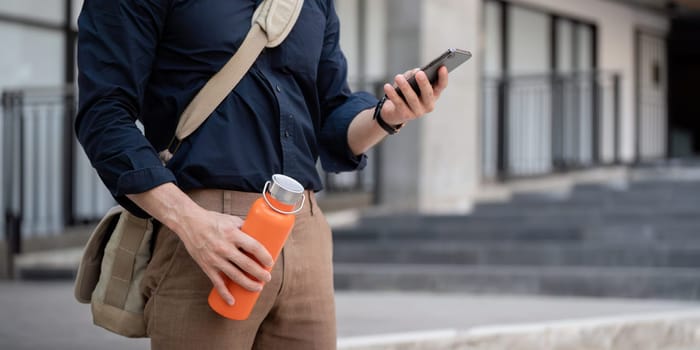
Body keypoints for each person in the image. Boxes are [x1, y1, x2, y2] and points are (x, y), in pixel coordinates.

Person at [75, 0, 448, 349]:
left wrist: (389, 115)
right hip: (206, 234)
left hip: (304, 234)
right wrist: (191, 224)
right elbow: (104, 115)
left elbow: (332, 114)